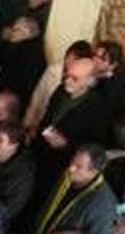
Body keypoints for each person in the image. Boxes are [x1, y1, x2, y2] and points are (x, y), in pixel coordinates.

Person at [26, 144, 117, 234]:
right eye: (72, 162)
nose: (71, 168)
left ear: (94, 171)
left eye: (78, 166)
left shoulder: (103, 203)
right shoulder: (69, 177)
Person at [32, 58, 112, 193]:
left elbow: (95, 147)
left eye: (75, 78)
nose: (67, 81)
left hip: (62, 169)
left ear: (89, 81)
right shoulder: (60, 91)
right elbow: (47, 118)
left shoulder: (97, 109)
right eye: (66, 75)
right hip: (39, 156)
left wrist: (66, 145)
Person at [0, 16, 46, 110]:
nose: (11, 33)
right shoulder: (21, 46)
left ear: (26, 33)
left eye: (16, 30)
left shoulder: (29, 54)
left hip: (7, 104)